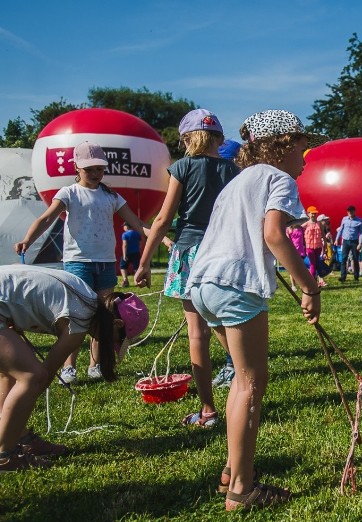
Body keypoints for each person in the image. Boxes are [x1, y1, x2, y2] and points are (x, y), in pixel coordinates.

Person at [187, 109, 324, 511]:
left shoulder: (237, 181)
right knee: (251, 383)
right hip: (234, 284)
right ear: (281, 145)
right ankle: (242, 491)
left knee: (240, 381)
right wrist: (309, 286)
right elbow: (273, 235)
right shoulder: (279, 178)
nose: (306, 155)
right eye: (302, 145)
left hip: (204, 284)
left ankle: (232, 471)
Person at [16, 141, 164, 384]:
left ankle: (95, 365)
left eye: (99, 169)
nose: (95, 174)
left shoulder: (111, 196)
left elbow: (138, 223)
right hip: (78, 262)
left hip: (106, 263)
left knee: (103, 317)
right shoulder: (68, 193)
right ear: (76, 167)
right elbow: (46, 218)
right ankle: (69, 367)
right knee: (76, 316)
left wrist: (164, 240)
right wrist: (27, 239)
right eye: (89, 169)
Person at [135, 109, 240, 419]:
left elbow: (164, 219)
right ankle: (247, 377)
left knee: (198, 334)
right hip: (223, 251)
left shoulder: (181, 168)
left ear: (185, 139)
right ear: (219, 138)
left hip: (190, 253)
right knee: (222, 321)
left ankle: (208, 410)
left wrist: (143, 263)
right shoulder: (233, 170)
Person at [0, 265, 148, 471]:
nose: (112, 346)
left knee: (12, 373)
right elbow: (44, 377)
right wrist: (26, 398)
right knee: (31, 376)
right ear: (117, 324)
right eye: (117, 341)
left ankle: (22, 438)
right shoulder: (79, 321)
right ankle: (5, 456)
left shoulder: (87, 299)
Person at [336, 205, 362, 282]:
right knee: (344, 259)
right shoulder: (344, 219)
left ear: (354, 211)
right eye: (348, 211)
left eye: (351, 211)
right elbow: (340, 229)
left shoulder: (359, 221)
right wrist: (336, 239)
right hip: (345, 241)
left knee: (355, 259)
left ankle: (356, 276)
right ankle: (343, 277)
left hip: (354, 242)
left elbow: (361, 233)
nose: (350, 212)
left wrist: (360, 243)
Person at [303, 207, 326, 288]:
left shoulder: (319, 223)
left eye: (315, 213)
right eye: (312, 213)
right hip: (309, 247)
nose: (314, 215)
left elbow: (323, 234)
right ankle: (312, 283)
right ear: (308, 214)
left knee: (317, 264)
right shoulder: (306, 224)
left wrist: (325, 244)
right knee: (313, 264)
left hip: (318, 246)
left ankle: (317, 281)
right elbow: (298, 231)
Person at [119, 222, 142, 288]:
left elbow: (125, 245)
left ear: (127, 226)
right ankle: (138, 281)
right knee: (136, 267)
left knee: (123, 267)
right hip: (136, 252)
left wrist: (124, 255)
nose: (123, 227)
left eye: (124, 226)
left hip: (128, 253)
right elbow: (140, 244)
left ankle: (125, 280)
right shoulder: (137, 233)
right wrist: (138, 250)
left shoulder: (125, 234)